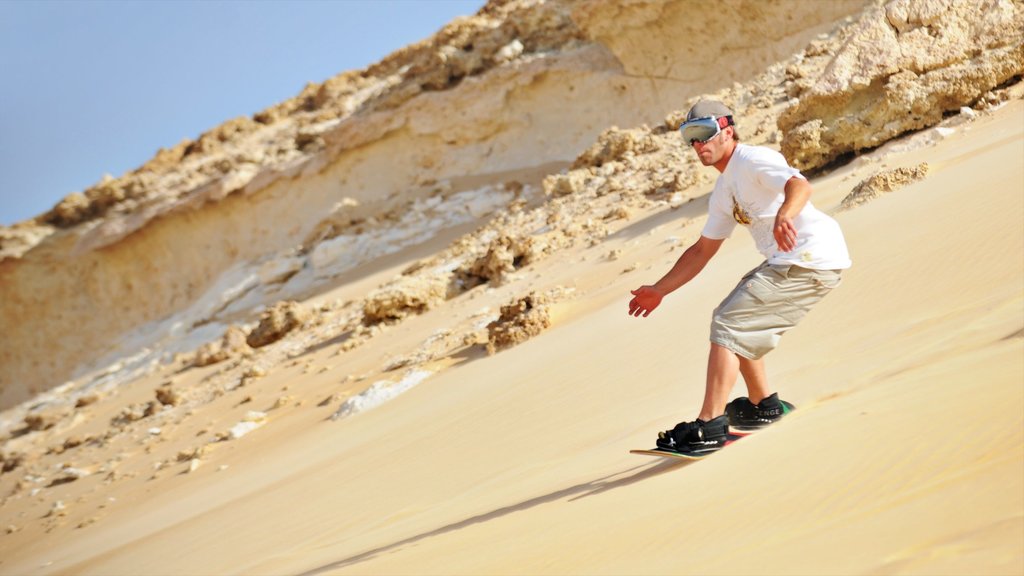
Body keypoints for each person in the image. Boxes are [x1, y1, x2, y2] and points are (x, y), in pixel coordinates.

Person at [628, 100, 851, 455]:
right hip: (789, 260)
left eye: (704, 134)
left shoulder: (751, 159)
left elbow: (799, 184)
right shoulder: (723, 189)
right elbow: (702, 251)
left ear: (727, 130)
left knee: (729, 322)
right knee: (739, 314)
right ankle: (764, 406)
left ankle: (709, 425)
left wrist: (784, 215)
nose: (699, 144)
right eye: (691, 137)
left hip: (810, 258)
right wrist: (659, 290)